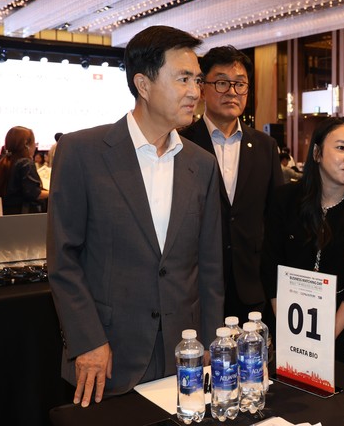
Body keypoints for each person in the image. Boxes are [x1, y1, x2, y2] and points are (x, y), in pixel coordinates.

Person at [47, 25, 225, 407]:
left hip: (183, 356)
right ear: (143, 84)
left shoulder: (202, 165)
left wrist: (211, 343)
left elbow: (210, 267)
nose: (196, 92)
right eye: (183, 79)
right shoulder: (82, 152)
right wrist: (87, 340)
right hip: (107, 357)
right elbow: (63, 259)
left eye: (197, 80)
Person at [261, 117, 344, 363]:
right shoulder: (285, 200)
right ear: (317, 153)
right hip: (286, 318)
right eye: (341, 148)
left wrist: (325, 338)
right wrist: (288, 329)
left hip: (340, 324)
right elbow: (270, 266)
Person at [180, 45, 283, 320]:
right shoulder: (181, 143)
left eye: (240, 84)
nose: (232, 92)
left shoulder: (265, 146)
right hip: (196, 286)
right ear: (202, 89)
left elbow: (275, 218)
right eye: (222, 82)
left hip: (252, 286)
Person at [0, 126, 48, 214]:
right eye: (34, 142)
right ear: (26, 144)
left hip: (9, 212)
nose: (35, 146)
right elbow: (34, 193)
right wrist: (53, 192)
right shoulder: (26, 163)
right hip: (24, 215)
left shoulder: (4, 162)